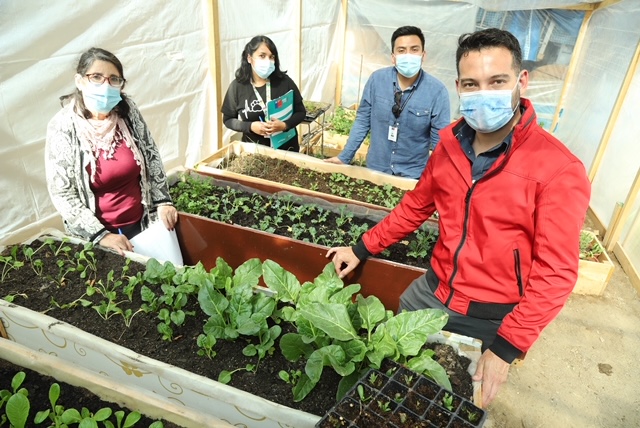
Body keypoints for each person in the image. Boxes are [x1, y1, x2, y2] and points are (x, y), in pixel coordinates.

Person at [326, 28, 591, 407]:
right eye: (471, 84)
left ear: (522, 81)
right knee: (398, 381)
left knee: (459, 404)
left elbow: (556, 273)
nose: (483, 92)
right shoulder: (450, 142)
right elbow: (416, 207)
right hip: (432, 292)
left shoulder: (557, 168)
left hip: (490, 314)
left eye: (496, 81)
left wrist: (507, 345)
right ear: (458, 87)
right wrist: (361, 247)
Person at [45, 47, 178, 256]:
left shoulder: (127, 111)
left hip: (140, 225)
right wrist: (102, 235)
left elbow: (151, 154)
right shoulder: (63, 126)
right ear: (80, 81)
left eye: (114, 79)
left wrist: (163, 202)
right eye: (96, 77)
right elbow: (63, 192)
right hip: (98, 238)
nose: (106, 85)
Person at [324, 25, 450, 179]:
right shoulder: (377, 80)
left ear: (423, 55)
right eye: (402, 50)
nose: (408, 55)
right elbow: (363, 120)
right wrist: (344, 157)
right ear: (393, 56)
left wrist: (437, 177)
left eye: (414, 49)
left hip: (413, 176)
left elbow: (440, 141)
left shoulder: (437, 91)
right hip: (375, 170)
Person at [221, 35, 306, 151]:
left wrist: (285, 125)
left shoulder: (285, 82)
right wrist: (250, 126)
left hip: (286, 149)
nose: (268, 61)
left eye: (271, 57)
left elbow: (301, 112)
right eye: (262, 56)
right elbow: (228, 119)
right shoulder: (237, 87)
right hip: (254, 152)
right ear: (249, 58)